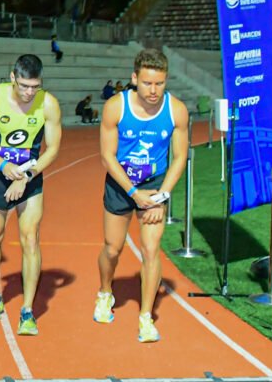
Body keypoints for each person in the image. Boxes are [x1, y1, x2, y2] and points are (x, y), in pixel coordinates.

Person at [94, 49, 189, 343]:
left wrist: (162, 195)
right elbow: (107, 157)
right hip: (121, 184)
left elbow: (180, 157)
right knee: (113, 248)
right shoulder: (115, 107)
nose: (153, 90)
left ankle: (146, 317)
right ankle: (105, 291)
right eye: (147, 83)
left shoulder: (176, 111)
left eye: (159, 84)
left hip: (155, 183)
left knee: (151, 249)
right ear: (135, 78)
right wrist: (134, 193)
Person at [0, 54, 62, 337]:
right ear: (12, 77)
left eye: (34, 86)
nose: (29, 92)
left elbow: (53, 148)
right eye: (23, 85)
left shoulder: (48, 104)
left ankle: (28, 310)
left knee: (30, 238)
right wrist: (3, 165)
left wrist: (27, 176)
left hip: (30, 177)